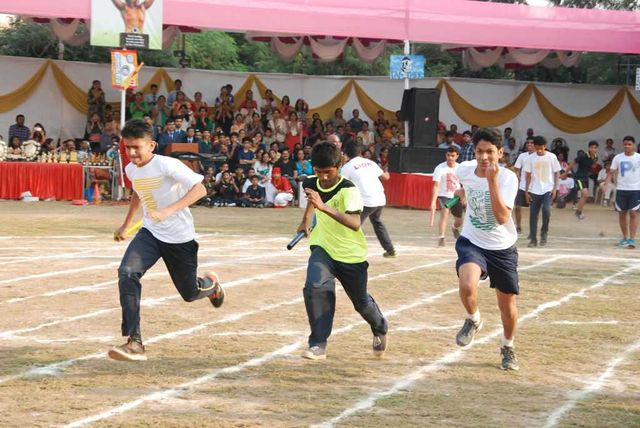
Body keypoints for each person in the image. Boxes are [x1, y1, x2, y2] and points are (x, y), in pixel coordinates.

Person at [109, 119, 225, 361]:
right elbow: (138, 195)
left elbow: (200, 189)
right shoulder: (131, 169)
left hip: (179, 238)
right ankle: (134, 341)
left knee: (190, 293)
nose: (131, 153)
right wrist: (127, 224)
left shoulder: (167, 165)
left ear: (151, 145)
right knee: (127, 273)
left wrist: (167, 210)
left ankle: (212, 286)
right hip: (150, 234)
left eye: (136, 147)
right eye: (127, 147)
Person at [297, 142, 388, 360]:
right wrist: (305, 220)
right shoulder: (312, 183)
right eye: (318, 172)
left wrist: (323, 207)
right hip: (323, 248)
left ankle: (380, 326)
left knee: (361, 303)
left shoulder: (349, 189)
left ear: (339, 165)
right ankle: (318, 344)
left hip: (350, 255)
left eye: (328, 172)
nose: (323, 177)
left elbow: (355, 222)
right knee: (315, 286)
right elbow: (313, 197)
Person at [453, 128, 520, 371]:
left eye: (490, 152)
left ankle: (508, 346)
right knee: (467, 285)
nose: (484, 157)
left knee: (507, 306)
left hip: (502, 247)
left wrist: (491, 182)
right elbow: (458, 183)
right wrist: (461, 192)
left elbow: (503, 217)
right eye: (479, 151)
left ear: (500, 153)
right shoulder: (464, 170)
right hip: (472, 241)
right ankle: (473, 319)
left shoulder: (508, 179)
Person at [341, 140, 397, 257]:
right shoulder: (370, 163)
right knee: (376, 221)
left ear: (345, 153)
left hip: (366, 201)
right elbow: (385, 177)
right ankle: (390, 249)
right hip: (380, 198)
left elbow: (340, 184)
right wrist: (387, 171)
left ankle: (350, 251)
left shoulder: (347, 167)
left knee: (352, 225)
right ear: (360, 152)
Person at [604, 136, 640, 249]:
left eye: (629, 144)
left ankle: (632, 239)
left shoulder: (639, 158)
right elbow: (611, 172)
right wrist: (606, 184)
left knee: (634, 213)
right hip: (621, 189)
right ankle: (625, 238)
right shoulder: (618, 158)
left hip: (636, 190)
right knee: (622, 214)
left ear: (634, 145)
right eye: (625, 144)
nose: (627, 146)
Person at [524, 136, 560, 247]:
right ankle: (533, 239)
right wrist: (526, 191)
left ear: (545, 147)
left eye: (542, 148)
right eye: (537, 148)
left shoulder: (551, 157)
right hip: (534, 190)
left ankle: (544, 233)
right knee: (533, 214)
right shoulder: (530, 158)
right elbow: (528, 175)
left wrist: (555, 188)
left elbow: (557, 172)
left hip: (547, 189)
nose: (539, 150)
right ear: (534, 147)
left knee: (546, 210)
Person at [430, 147, 464, 247]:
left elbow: (464, 183)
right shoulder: (440, 168)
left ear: (457, 156)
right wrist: (433, 201)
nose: (450, 158)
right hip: (444, 195)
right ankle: (441, 237)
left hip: (456, 196)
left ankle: (454, 227)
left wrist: (464, 197)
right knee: (444, 212)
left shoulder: (460, 168)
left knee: (459, 220)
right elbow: (436, 185)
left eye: (452, 156)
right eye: (448, 155)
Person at [563, 141, 599, 220]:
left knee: (583, 196)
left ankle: (573, 206)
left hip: (586, 178)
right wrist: (565, 173)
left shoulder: (595, 157)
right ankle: (578, 212)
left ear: (597, 149)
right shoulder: (583, 156)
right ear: (589, 148)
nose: (593, 149)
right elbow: (572, 163)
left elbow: (590, 166)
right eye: (592, 147)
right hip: (579, 177)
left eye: (595, 147)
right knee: (585, 195)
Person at [512, 138, 534, 234]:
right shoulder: (522, 156)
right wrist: (518, 177)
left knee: (534, 209)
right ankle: (518, 226)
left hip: (535, 187)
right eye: (528, 142)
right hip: (522, 185)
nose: (529, 144)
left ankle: (533, 227)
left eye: (531, 143)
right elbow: (516, 168)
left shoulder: (539, 156)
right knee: (517, 206)